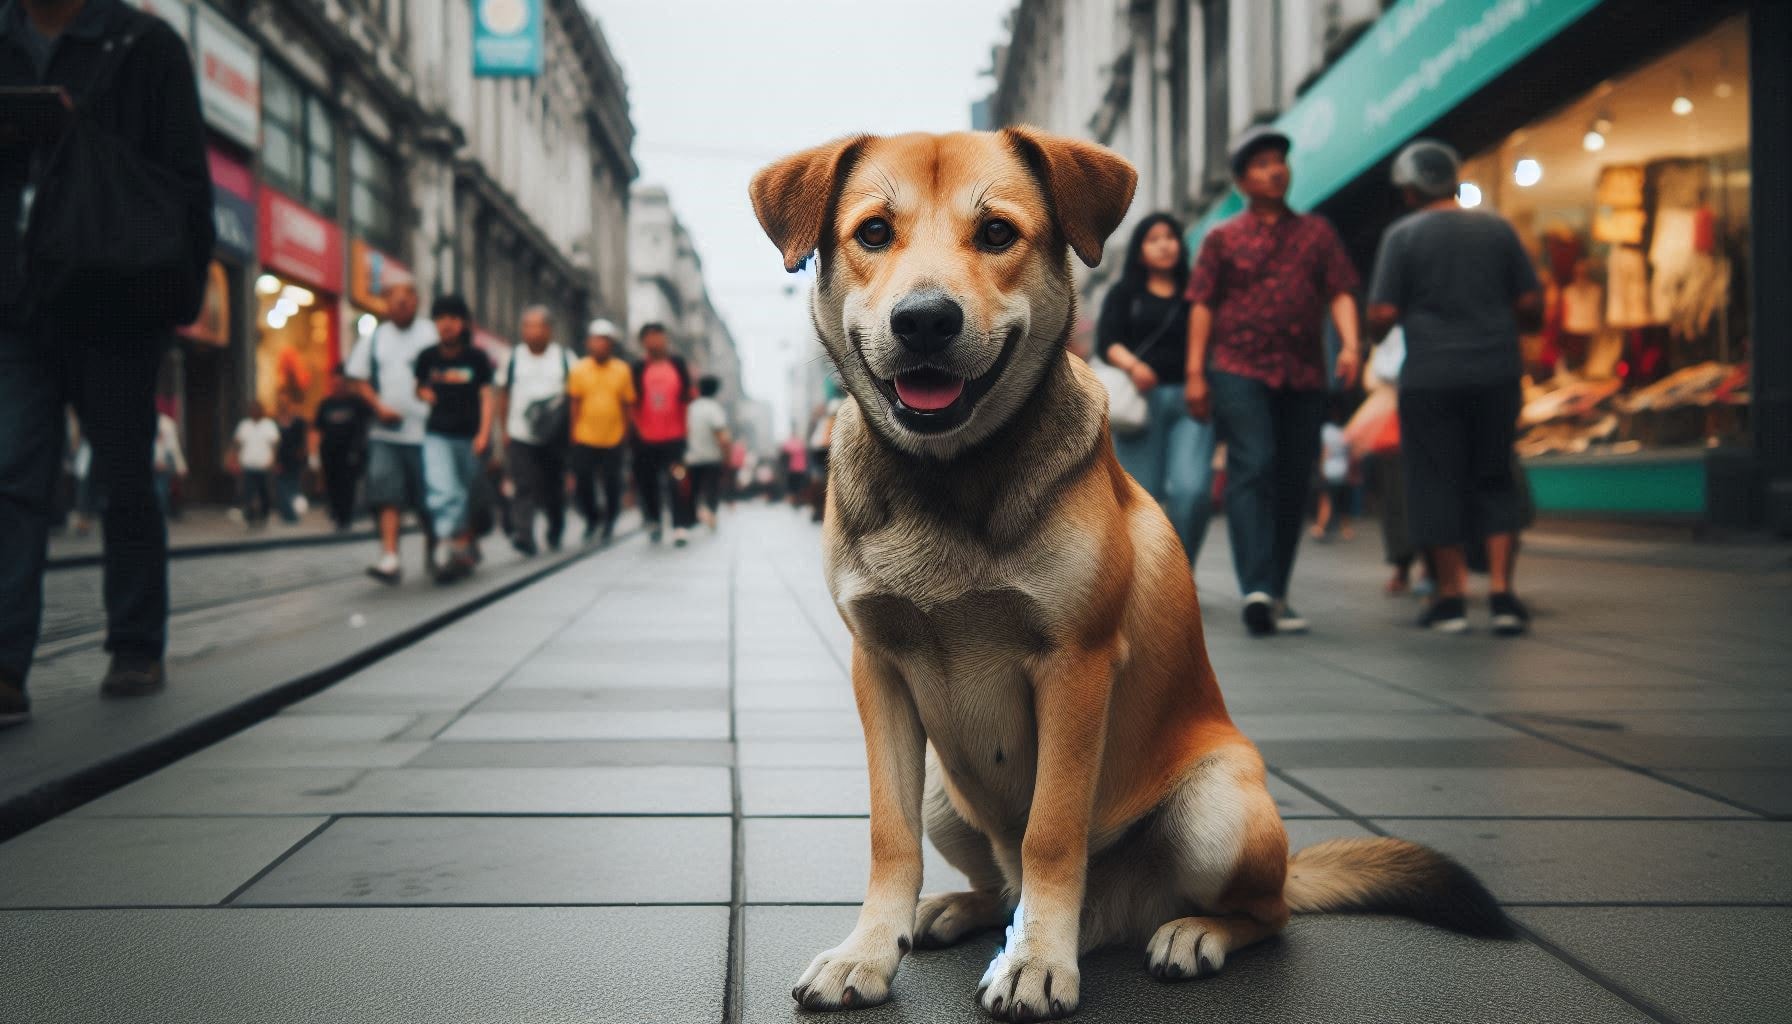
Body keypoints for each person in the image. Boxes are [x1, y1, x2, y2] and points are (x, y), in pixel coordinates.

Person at [1, 0, 215, 723]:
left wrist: (176, 296)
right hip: (14, 301)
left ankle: (134, 643)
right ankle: (3, 664)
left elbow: (187, 183)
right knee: (10, 479)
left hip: (113, 303)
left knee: (123, 477)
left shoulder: (144, 44)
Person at [1186, 125, 1362, 637]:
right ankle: (1256, 588)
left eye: (1279, 161)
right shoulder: (1222, 238)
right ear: (1242, 181)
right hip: (1238, 368)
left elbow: (1341, 290)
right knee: (1253, 464)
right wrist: (1196, 373)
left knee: (1293, 478)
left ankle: (1275, 592)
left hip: (1304, 371)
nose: (1275, 170)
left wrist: (1350, 344)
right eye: (1261, 164)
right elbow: (1202, 305)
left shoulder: (1317, 233)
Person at [1367, 139, 1543, 635]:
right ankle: (1504, 596)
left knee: (1433, 478)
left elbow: (1381, 314)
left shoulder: (1402, 236)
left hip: (1430, 376)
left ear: (1408, 190)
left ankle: (1451, 599)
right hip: (1496, 369)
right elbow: (1531, 305)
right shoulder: (1497, 227)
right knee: (1495, 473)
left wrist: (1379, 332)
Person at [1099, 213, 1215, 563]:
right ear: (1140, 250)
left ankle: (1180, 568)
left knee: (1191, 491)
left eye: (1170, 237)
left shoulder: (1197, 293)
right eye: (1154, 239)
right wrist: (1134, 366)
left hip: (1190, 400)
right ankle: (1144, 574)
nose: (1164, 245)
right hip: (1140, 404)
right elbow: (1108, 342)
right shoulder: (1125, 293)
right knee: (1139, 498)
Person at [343, 278, 436, 584]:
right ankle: (390, 558)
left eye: (407, 299)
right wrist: (378, 406)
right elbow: (358, 378)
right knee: (387, 495)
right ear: (385, 304)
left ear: (416, 300)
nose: (401, 305)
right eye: (394, 301)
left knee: (427, 498)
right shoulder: (375, 338)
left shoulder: (431, 334)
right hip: (386, 433)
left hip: (426, 433)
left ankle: (434, 549)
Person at [414, 294, 494, 583]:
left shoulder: (477, 358)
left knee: (466, 492)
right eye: (440, 319)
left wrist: (485, 433)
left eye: (452, 318)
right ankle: (447, 542)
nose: (446, 325)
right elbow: (418, 387)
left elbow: (487, 397)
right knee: (443, 487)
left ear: (463, 323)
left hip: (470, 437)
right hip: (437, 434)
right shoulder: (427, 357)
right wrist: (425, 394)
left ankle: (463, 543)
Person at [497, 306, 572, 555]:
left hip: (554, 436)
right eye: (527, 326)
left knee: (552, 486)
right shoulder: (513, 357)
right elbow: (503, 394)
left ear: (549, 330)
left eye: (538, 326)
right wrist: (504, 428)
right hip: (521, 432)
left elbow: (575, 396)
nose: (532, 332)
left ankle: (555, 527)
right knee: (524, 484)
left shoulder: (564, 357)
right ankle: (524, 534)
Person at [566, 318, 635, 543]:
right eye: (596, 341)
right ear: (589, 343)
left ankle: (610, 521)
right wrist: (573, 431)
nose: (600, 345)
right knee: (583, 481)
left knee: (612, 482)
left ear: (611, 344)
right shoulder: (579, 369)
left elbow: (627, 404)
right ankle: (592, 518)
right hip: (585, 435)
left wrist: (626, 433)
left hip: (613, 437)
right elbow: (574, 402)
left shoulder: (622, 370)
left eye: (604, 341)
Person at [629, 322, 695, 545]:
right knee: (648, 482)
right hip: (645, 438)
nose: (654, 341)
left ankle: (679, 525)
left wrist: (686, 431)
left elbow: (688, 397)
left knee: (677, 480)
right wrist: (637, 430)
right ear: (643, 342)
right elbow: (632, 402)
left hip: (675, 437)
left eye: (658, 336)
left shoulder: (677, 365)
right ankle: (654, 520)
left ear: (666, 339)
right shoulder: (638, 368)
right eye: (649, 337)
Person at [314, 368, 371, 530]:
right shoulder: (326, 404)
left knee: (348, 485)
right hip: (329, 453)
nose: (337, 386)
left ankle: (346, 516)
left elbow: (368, 422)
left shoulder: (356, 403)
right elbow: (317, 429)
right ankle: (337, 515)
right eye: (334, 383)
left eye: (340, 383)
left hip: (351, 453)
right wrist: (314, 455)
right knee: (333, 485)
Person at [684, 375, 731, 531]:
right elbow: (723, 437)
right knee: (712, 489)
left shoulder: (691, 408)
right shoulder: (714, 408)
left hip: (691, 458)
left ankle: (694, 517)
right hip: (711, 458)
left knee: (694, 490)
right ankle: (710, 513)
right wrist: (727, 456)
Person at [231, 401, 280, 528]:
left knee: (264, 491)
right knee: (248, 492)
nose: (255, 412)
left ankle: (264, 514)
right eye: (252, 410)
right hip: (248, 464)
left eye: (257, 410)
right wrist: (234, 459)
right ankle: (250, 516)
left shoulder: (269, 425)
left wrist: (273, 460)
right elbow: (237, 443)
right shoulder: (244, 425)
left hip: (264, 464)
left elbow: (274, 445)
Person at [272, 394, 308, 524]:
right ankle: (286, 513)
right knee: (281, 487)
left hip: (295, 458)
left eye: (285, 403)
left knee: (294, 486)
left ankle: (293, 513)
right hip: (281, 458)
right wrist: (274, 460)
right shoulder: (274, 422)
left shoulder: (298, 422)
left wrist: (303, 454)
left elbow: (303, 440)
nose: (283, 406)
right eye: (280, 403)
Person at [151, 403, 186, 517]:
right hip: (160, 459)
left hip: (159, 459)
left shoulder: (165, 424)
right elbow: (172, 446)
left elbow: (170, 445)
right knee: (160, 488)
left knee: (160, 488)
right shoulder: (167, 423)